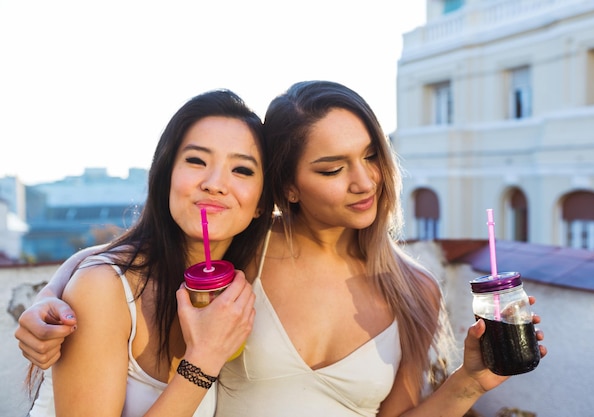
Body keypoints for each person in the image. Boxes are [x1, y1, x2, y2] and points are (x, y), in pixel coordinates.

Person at [16, 81, 546, 417]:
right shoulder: (244, 250)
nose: (365, 182)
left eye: (371, 156)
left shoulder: (414, 289)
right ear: (287, 185)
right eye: (332, 168)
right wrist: (56, 293)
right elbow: (138, 259)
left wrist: (469, 384)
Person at [23, 88, 273, 416]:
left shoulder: (248, 274)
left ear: (262, 203)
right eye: (196, 161)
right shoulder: (104, 288)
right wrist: (205, 358)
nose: (214, 183)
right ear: (165, 176)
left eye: (242, 170)